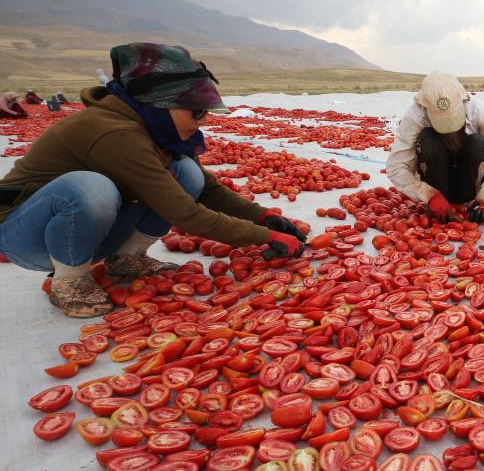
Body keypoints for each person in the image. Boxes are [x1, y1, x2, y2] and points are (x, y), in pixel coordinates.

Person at [0, 42, 305, 318]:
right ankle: (69, 282)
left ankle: (126, 260)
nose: (203, 121)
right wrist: (265, 237)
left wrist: (264, 217)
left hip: (83, 230)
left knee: (187, 172)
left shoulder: (155, 129)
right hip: (25, 235)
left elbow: (205, 189)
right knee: (88, 187)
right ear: (160, 104)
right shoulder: (114, 132)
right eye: (196, 111)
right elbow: (184, 212)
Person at [386, 71, 484, 223]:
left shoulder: (479, 110)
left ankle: (471, 201)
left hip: (469, 179)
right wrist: (428, 194)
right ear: (425, 106)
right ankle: (440, 201)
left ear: (463, 99)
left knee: (477, 142)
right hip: (437, 176)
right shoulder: (415, 116)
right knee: (428, 139)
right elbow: (396, 166)